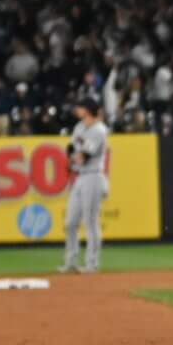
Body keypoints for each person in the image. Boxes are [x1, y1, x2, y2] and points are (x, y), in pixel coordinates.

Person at [58, 92, 110, 274]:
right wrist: (74, 157)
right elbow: (70, 149)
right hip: (80, 177)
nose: (77, 109)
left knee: (90, 221)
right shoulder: (79, 127)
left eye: (80, 106)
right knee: (70, 222)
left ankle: (92, 263)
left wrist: (74, 157)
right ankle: (71, 261)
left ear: (87, 110)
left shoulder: (100, 130)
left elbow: (83, 157)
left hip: (94, 176)